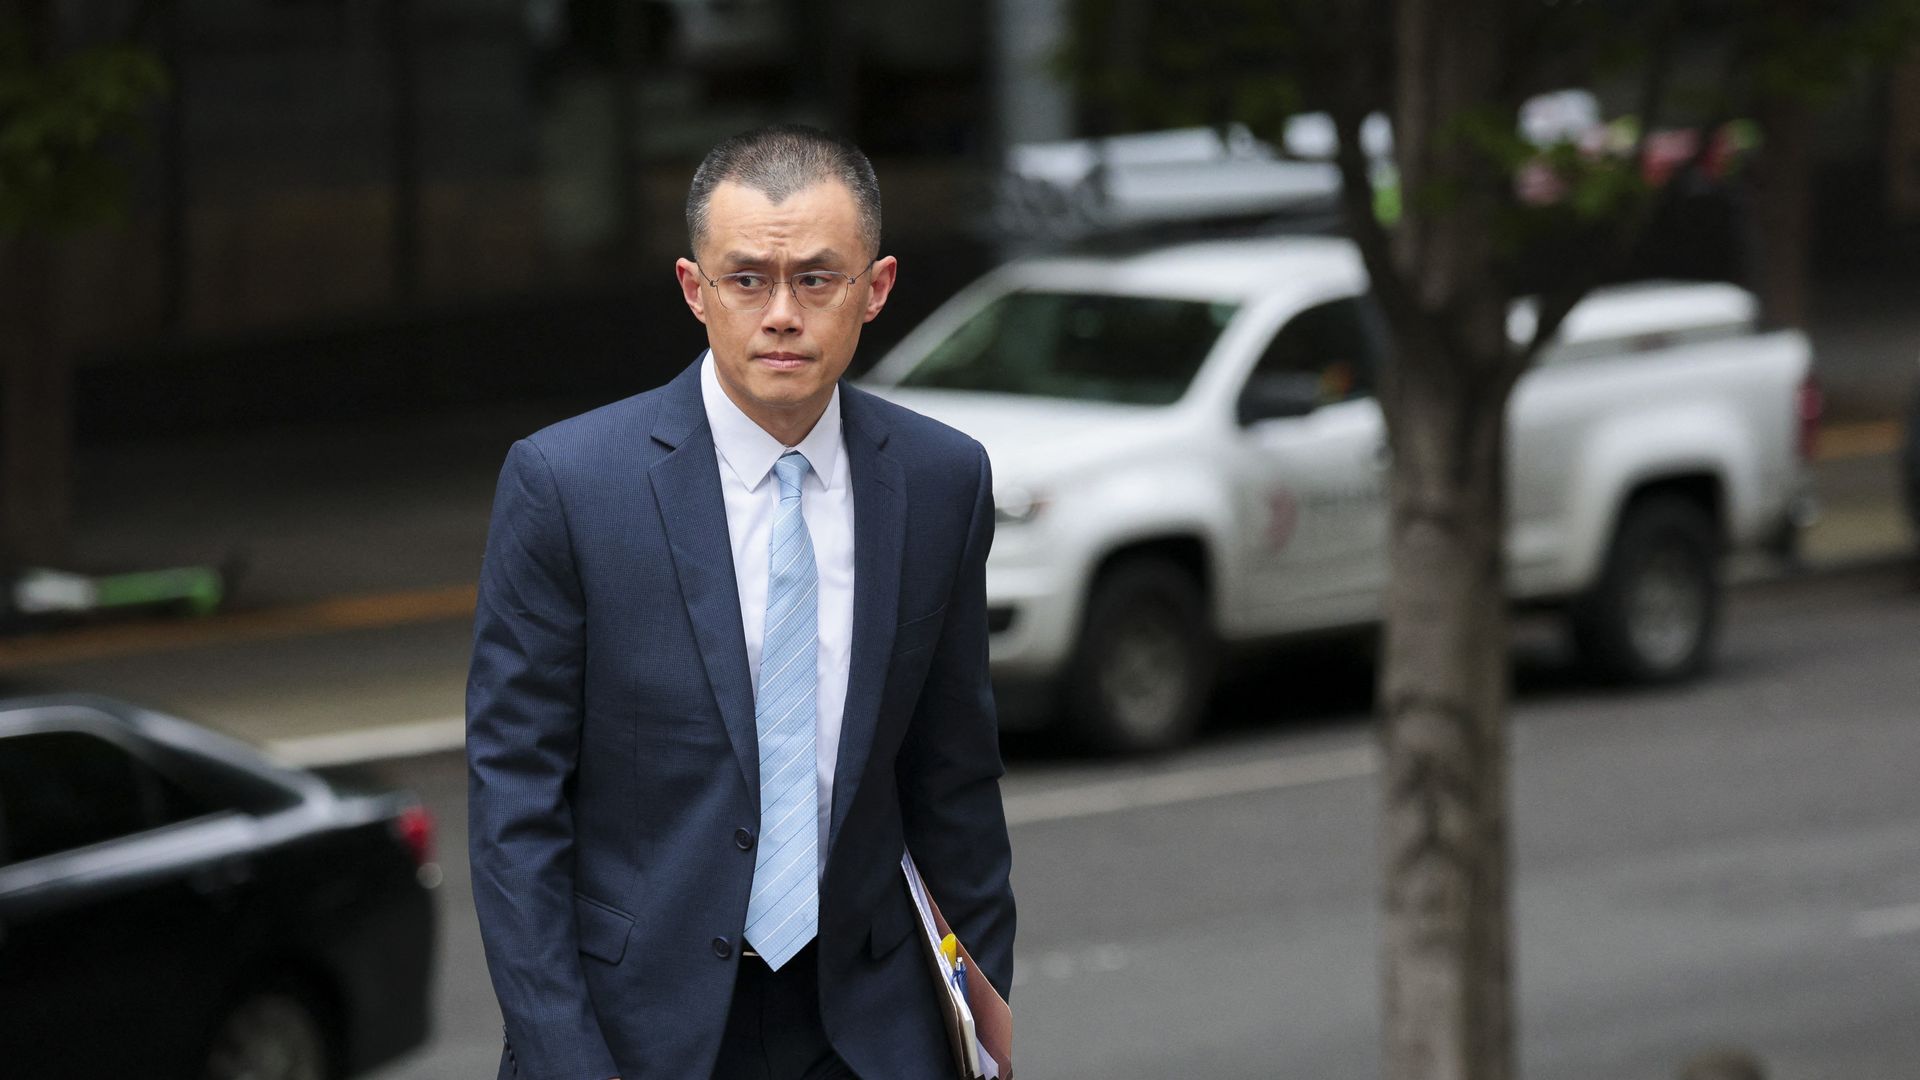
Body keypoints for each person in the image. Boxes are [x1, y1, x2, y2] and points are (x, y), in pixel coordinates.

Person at [467, 124, 1016, 1080]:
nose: (781, 314)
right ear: (694, 290)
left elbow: (955, 781)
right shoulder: (567, 485)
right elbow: (516, 807)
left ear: (875, 289)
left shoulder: (941, 482)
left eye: (816, 278)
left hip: (874, 1035)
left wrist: (976, 1027)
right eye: (747, 279)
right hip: (638, 1036)